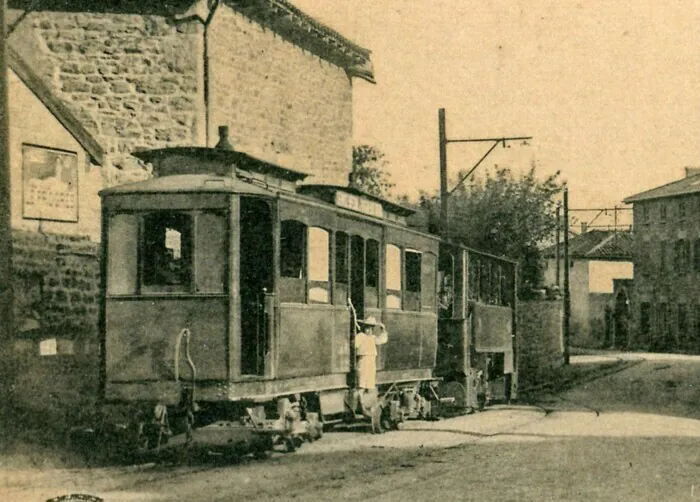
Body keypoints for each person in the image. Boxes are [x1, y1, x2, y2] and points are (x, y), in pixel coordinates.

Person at [355, 316, 388, 415]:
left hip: (371, 362)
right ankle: (361, 406)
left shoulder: (373, 338)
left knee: (370, 385)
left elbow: (382, 340)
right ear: (364, 328)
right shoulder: (360, 336)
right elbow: (355, 345)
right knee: (361, 385)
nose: (369, 330)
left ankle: (368, 407)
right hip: (363, 361)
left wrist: (383, 330)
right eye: (367, 328)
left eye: (371, 328)